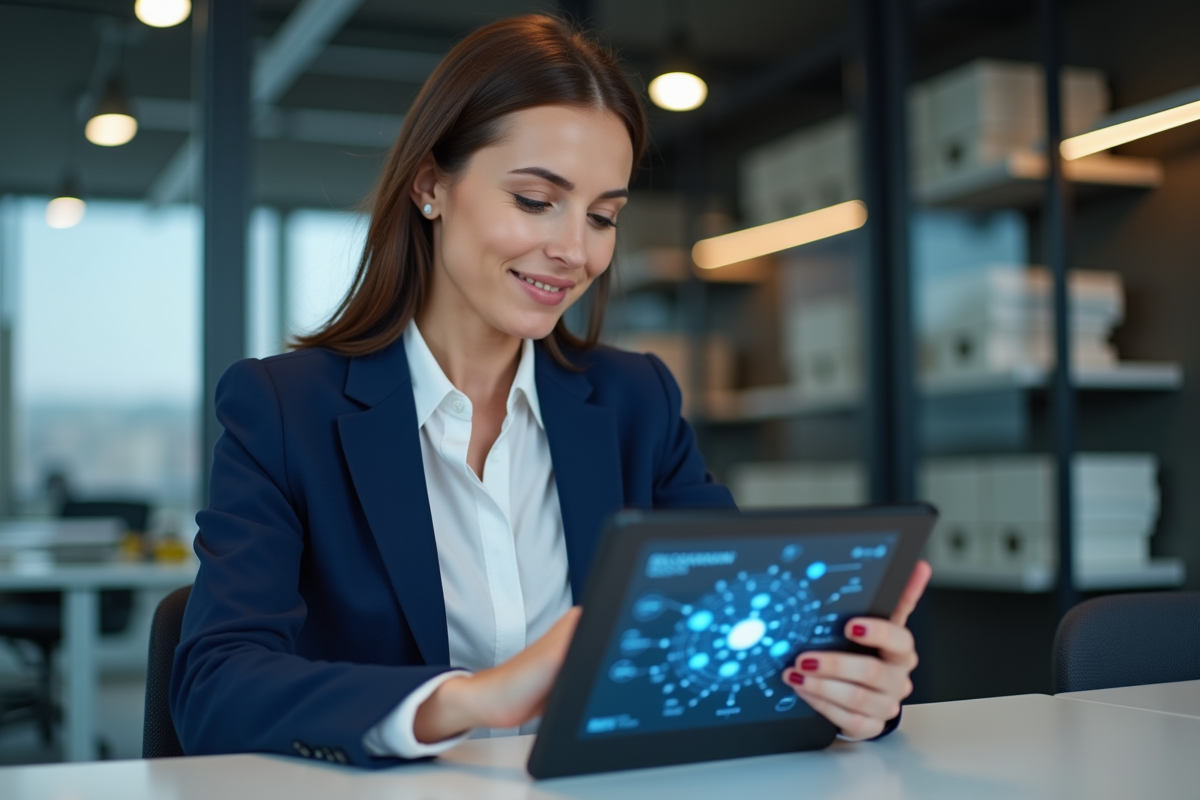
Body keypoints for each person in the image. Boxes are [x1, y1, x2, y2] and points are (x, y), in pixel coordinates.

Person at [170, 14, 932, 768]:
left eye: (603, 216)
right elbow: (215, 686)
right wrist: (470, 699)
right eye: (536, 201)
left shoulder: (639, 403)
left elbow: (727, 636)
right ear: (431, 184)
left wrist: (847, 688)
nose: (574, 250)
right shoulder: (283, 409)